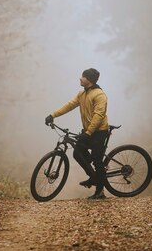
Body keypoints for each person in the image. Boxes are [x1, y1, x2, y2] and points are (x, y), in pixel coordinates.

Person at [45, 68, 109, 199]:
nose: (80, 78)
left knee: (97, 160)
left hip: (99, 131)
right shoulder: (82, 94)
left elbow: (99, 115)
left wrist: (89, 132)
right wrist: (53, 115)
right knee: (77, 152)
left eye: (83, 76)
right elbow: (69, 105)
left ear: (89, 79)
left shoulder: (99, 95)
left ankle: (100, 191)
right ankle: (94, 177)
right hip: (88, 131)